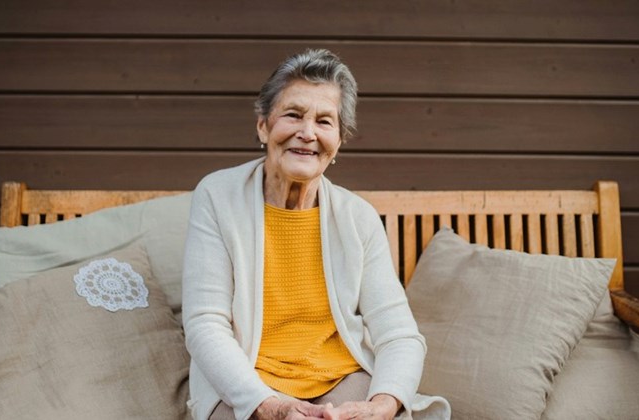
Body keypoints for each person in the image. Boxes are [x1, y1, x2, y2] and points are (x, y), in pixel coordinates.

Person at [182, 49, 450, 420]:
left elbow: (399, 335)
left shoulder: (358, 217)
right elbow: (204, 325)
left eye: (325, 121)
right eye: (293, 115)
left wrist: (382, 405)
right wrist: (270, 406)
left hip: (340, 381)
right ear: (263, 125)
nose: (307, 133)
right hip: (246, 382)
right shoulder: (216, 196)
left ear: (338, 140)